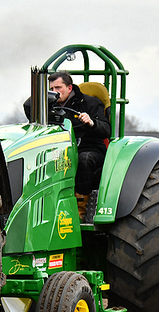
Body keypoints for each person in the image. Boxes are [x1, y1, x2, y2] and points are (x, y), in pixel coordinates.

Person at [48, 71, 111, 221]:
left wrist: (91, 122)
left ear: (69, 88)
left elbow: (106, 129)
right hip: (62, 149)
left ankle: (79, 211)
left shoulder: (90, 103)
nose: (55, 92)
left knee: (84, 159)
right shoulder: (49, 107)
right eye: (52, 89)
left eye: (58, 88)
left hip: (90, 147)